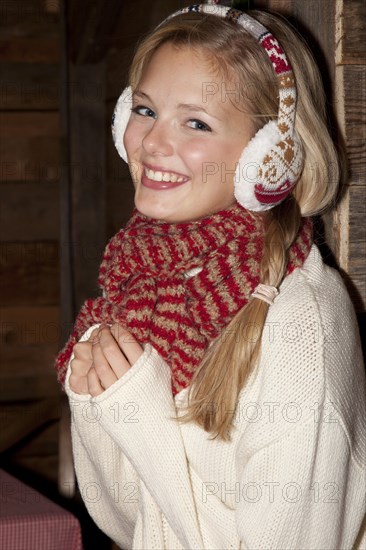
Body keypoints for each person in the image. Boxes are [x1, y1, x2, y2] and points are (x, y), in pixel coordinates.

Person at [55, 4, 366, 549]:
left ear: (269, 157)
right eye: (146, 109)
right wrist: (103, 401)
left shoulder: (301, 323)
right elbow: (134, 528)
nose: (151, 143)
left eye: (196, 122)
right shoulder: (142, 281)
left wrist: (142, 413)